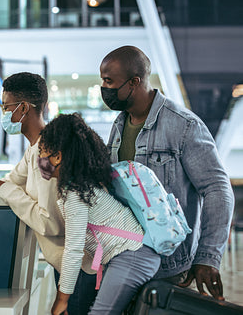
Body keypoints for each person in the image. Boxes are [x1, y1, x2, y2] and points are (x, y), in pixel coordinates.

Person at [0, 72, 97, 314]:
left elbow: (51, 223)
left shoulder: (48, 154)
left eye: (6, 107)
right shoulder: (34, 149)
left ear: (23, 108)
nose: (4, 114)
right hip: (70, 268)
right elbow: (10, 182)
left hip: (79, 272)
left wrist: (5, 189)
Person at [100, 45, 234, 300]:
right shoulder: (119, 126)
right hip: (124, 257)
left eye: (109, 81)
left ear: (134, 82)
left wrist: (207, 257)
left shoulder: (183, 125)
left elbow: (218, 188)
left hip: (169, 267)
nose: (104, 88)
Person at [39, 113, 160, 315]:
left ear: (58, 156)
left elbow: (74, 250)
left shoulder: (75, 194)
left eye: (42, 152)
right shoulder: (83, 185)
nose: (40, 159)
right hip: (131, 254)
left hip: (133, 256)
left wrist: (61, 299)